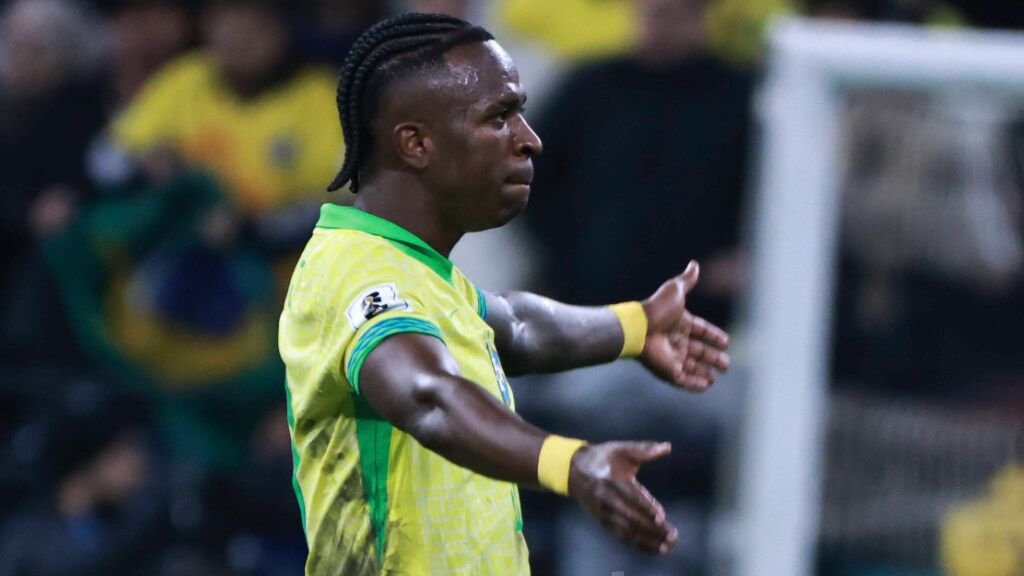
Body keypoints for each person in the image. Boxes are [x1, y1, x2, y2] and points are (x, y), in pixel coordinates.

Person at [278, 12, 731, 575]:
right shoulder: (357, 273)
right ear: (416, 143)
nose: (530, 140)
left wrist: (635, 326)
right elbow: (428, 396)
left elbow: (515, 327)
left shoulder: (418, 271)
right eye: (500, 117)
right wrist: (571, 462)